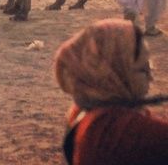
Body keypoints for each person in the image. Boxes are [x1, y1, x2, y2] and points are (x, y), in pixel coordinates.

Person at [54, 19, 168, 164]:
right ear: (115, 73)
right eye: (142, 70)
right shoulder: (118, 130)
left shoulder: (83, 110)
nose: (151, 77)